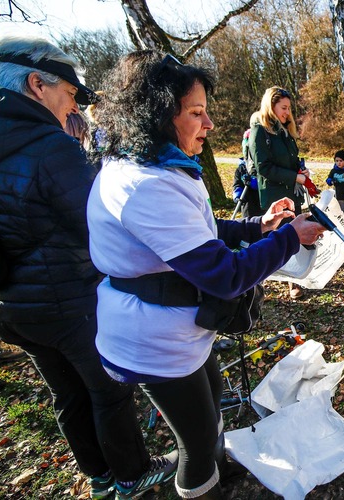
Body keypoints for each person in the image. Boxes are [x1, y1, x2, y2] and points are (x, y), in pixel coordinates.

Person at [87, 51, 325, 499]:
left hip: (179, 333)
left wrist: (260, 226)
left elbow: (197, 232)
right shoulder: (144, 185)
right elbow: (225, 275)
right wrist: (290, 237)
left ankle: (217, 468)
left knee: (212, 404)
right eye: (196, 113)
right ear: (157, 116)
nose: (210, 125)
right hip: (153, 340)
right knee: (196, 439)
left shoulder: (159, 167)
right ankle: (203, 485)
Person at [0, 36, 174, 500]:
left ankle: (98, 475)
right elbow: (99, 222)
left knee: (67, 394)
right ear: (37, 85)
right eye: (70, 93)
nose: (72, 104)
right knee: (108, 391)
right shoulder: (48, 147)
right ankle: (131, 474)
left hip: (13, 305)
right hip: (68, 299)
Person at [249, 86, 316, 299]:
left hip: (292, 193)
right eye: (284, 107)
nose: (288, 112)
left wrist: (300, 170)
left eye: (289, 108)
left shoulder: (284, 131)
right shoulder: (260, 130)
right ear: (271, 105)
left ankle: (294, 277)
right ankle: (288, 283)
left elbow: (291, 160)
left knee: (292, 236)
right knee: (281, 238)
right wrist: (295, 177)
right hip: (274, 196)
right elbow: (263, 167)